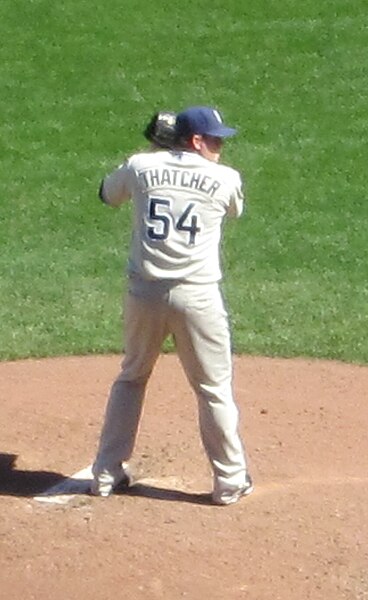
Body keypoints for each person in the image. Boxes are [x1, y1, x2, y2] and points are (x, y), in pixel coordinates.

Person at [91, 105, 253, 505]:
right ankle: (230, 482)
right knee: (213, 388)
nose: (220, 146)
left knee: (131, 377)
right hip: (197, 297)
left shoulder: (141, 166)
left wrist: (152, 150)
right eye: (215, 139)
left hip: (143, 294)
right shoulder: (225, 177)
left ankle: (107, 474)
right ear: (196, 141)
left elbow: (106, 194)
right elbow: (236, 209)